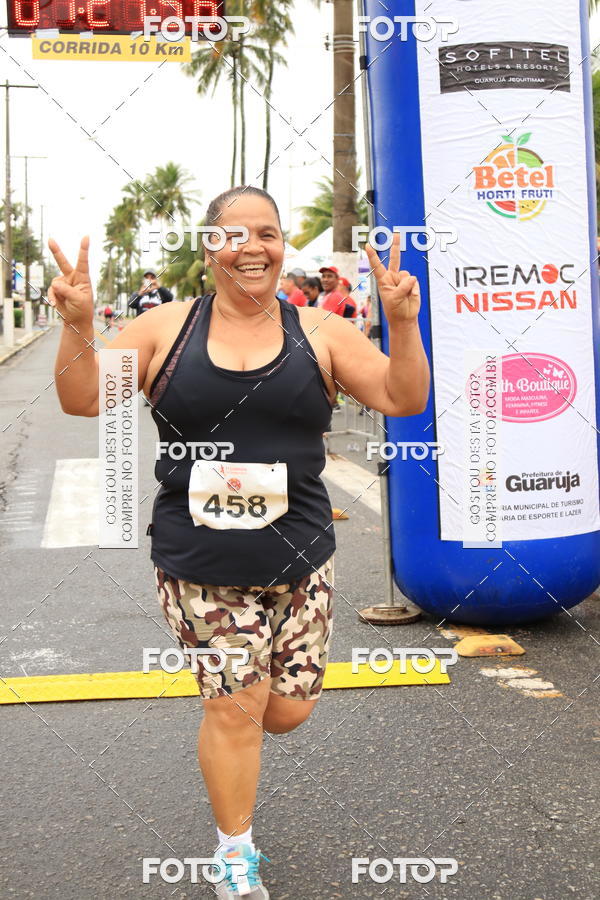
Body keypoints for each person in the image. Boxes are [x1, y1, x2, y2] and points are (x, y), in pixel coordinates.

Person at [48, 186, 429, 899]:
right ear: (208, 248)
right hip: (200, 562)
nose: (252, 247)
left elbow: (402, 396)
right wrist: (76, 325)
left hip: (302, 556)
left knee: (286, 711)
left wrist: (404, 325)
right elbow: (84, 397)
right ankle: (235, 854)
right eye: (234, 234)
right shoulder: (166, 329)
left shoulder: (320, 332)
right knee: (236, 706)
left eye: (267, 233)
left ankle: (248, 730)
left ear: (281, 246)